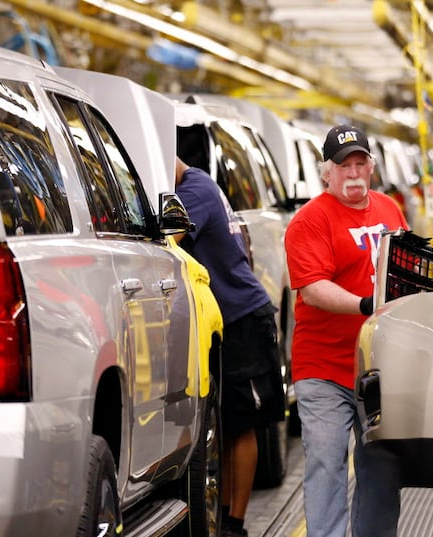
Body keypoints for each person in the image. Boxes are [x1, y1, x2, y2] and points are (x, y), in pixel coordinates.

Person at [284, 124, 410, 537]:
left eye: (361, 164)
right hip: (323, 368)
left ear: (372, 167)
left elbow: (407, 265)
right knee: (326, 462)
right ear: (327, 173)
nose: (354, 174)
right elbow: (314, 290)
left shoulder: (389, 209)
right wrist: (364, 304)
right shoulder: (309, 221)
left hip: (377, 368)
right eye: (344, 166)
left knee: (380, 467)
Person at [174, 158, 285, 537]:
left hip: (242, 318)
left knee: (241, 426)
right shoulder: (199, 184)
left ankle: (235, 525)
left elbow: (166, 240)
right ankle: (224, 519)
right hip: (225, 320)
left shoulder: (194, 190)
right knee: (226, 424)